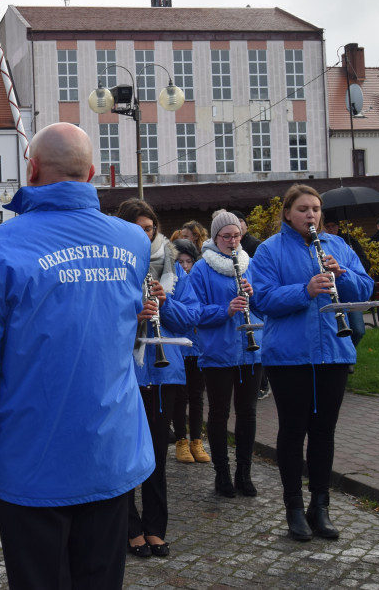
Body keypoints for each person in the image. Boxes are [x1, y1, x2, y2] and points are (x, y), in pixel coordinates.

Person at [0, 123, 154, 589]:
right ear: (92, 173)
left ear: (32, 169)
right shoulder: (132, 242)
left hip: (30, 458)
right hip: (109, 451)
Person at [252, 184, 374, 542]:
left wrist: (344, 276)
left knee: (324, 432)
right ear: (288, 213)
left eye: (316, 209)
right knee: (292, 432)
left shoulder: (337, 246)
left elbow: (366, 289)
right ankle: (293, 507)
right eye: (303, 209)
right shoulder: (269, 250)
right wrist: (304, 290)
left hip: (334, 352)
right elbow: (262, 299)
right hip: (289, 357)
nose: (311, 215)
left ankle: (320, 507)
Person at [115, 198, 197, 560]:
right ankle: (130, 528)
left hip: (165, 374)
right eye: (137, 228)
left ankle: (155, 528)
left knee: (156, 458)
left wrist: (166, 303)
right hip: (127, 373)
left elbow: (191, 317)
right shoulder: (115, 266)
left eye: (149, 228)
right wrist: (134, 314)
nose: (144, 235)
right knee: (126, 454)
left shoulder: (173, 268)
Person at [188, 210, 263, 498]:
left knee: (248, 413)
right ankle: (222, 473)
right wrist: (225, 310)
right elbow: (194, 313)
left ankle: (244, 472)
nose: (233, 241)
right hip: (218, 350)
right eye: (226, 236)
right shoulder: (202, 269)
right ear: (215, 237)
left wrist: (253, 296)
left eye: (237, 236)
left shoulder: (250, 264)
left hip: (251, 349)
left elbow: (265, 306)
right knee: (219, 413)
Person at [170, 239, 210, 466]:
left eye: (189, 261)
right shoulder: (174, 280)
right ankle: (181, 440)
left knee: (197, 396)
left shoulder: (197, 280)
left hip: (197, 346)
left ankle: (197, 439)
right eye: (180, 261)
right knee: (180, 396)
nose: (185, 265)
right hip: (179, 347)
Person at [323, 218, 370, 345]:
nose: (331, 229)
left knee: (358, 330)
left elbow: (365, 265)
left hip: (349, 293)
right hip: (329, 295)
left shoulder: (348, 241)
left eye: (334, 226)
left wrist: (344, 269)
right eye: (328, 226)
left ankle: (350, 353)